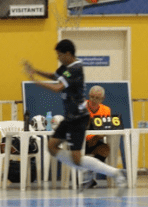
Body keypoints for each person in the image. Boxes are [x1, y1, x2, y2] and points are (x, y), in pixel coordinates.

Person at [23, 40, 127, 191]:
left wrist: (35, 81)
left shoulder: (75, 69)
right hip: (70, 117)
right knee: (52, 146)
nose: (58, 57)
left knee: (76, 159)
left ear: (68, 53)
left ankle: (115, 173)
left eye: (59, 54)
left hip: (78, 118)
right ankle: (82, 167)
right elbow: (55, 76)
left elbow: (58, 87)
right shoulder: (66, 67)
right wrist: (35, 70)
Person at [82, 86, 113, 188]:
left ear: (102, 99)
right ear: (89, 96)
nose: (94, 100)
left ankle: (89, 174)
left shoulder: (106, 110)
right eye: (92, 97)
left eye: (97, 98)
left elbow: (107, 128)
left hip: (95, 141)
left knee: (105, 149)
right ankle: (86, 177)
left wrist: (101, 135)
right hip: (80, 142)